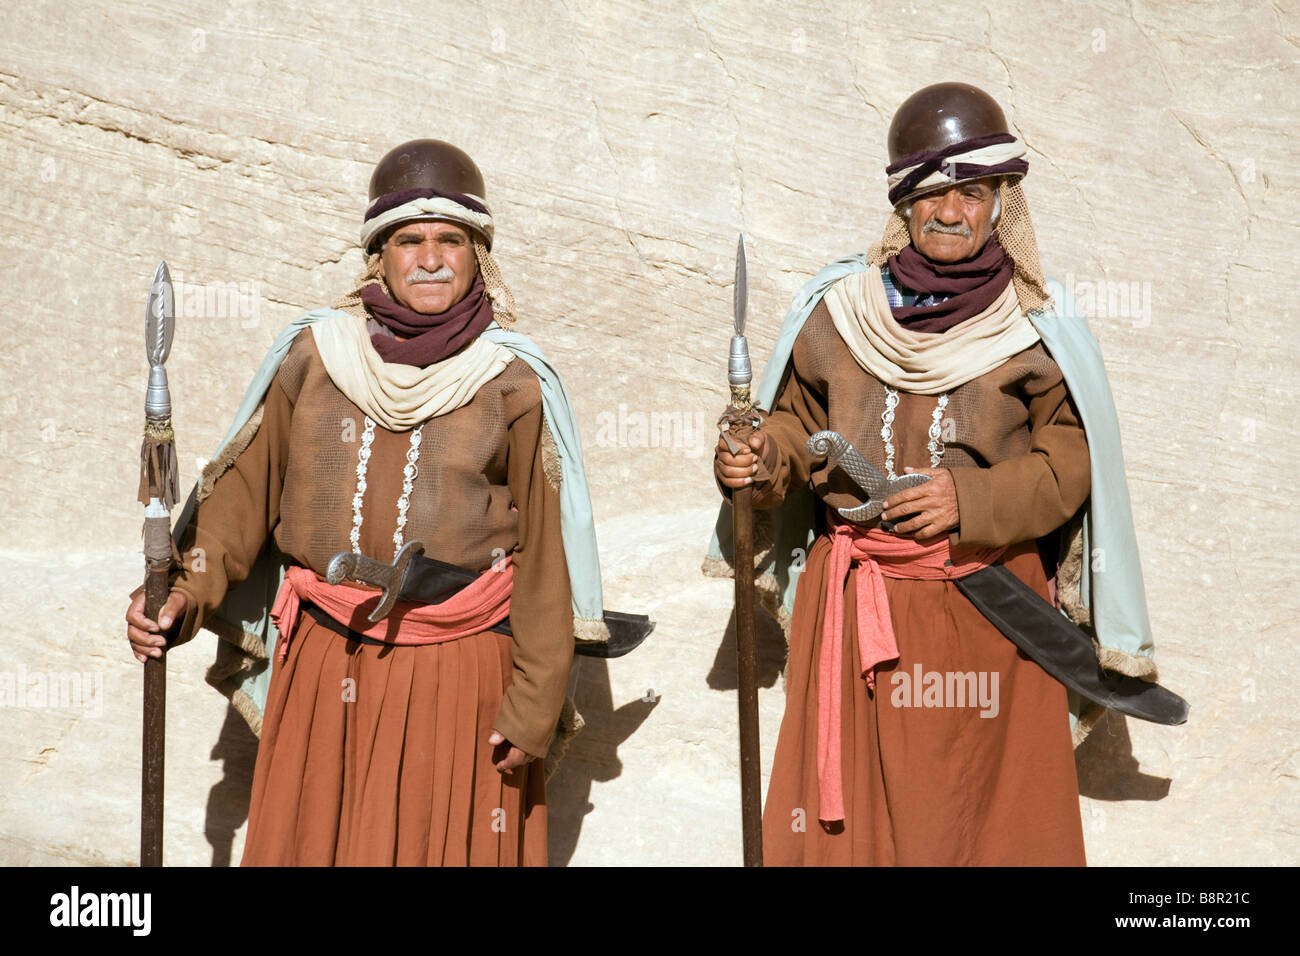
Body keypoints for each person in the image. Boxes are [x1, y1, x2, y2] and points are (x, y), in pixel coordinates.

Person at [711, 82, 1164, 865]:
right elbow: (791, 423)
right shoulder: (839, 309)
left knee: (976, 825)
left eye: (973, 193)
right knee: (847, 827)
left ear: (1000, 204)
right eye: (931, 195)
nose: (950, 213)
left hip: (986, 611)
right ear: (903, 203)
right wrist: (760, 462)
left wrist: (971, 496)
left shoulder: (1037, 327)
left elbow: (1070, 462)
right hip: (854, 605)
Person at [126, 139, 607, 866]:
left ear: (480, 255)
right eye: (409, 240)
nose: (431, 258)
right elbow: (240, 501)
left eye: (452, 240)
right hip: (326, 660)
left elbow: (544, 554)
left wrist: (536, 702)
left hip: (460, 668)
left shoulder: (513, 379)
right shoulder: (315, 357)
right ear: (378, 254)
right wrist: (181, 594)